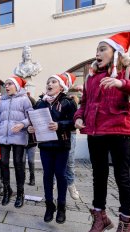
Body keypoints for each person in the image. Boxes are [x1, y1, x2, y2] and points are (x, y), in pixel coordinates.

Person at [74, 32, 130, 232]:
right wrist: (79, 117)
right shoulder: (90, 76)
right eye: (97, 49)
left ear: (115, 52)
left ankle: (125, 222)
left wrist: (122, 83)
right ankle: (100, 217)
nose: (97, 53)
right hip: (95, 132)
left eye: (102, 49)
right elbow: (84, 103)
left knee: (122, 177)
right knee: (99, 176)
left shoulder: (128, 70)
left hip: (119, 130)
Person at [28, 74, 77, 224]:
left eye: (53, 82)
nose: (50, 84)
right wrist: (31, 128)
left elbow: (75, 122)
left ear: (61, 86)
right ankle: (49, 206)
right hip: (45, 145)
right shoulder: (40, 103)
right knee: (47, 175)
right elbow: (34, 121)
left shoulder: (68, 102)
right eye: (48, 82)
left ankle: (61, 207)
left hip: (61, 144)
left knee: (60, 175)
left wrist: (60, 125)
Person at [0, 76, 33, 208]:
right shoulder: (2, 101)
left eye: (9, 84)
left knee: (19, 163)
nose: (6, 86)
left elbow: (31, 116)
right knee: (3, 163)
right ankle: (7, 190)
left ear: (17, 86)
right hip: (3, 136)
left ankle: (20, 193)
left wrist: (22, 124)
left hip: (18, 135)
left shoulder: (25, 99)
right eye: (5, 84)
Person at [63, 72, 81, 200]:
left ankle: (70, 184)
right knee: (55, 160)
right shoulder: (50, 97)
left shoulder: (71, 100)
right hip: (55, 134)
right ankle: (54, 182)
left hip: (70, 133)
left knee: (69, 161)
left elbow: (74, 121)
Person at [23, 92, 37, 186]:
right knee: (22, 161)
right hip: (22, 141)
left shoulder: (34, 115)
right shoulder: (21, 114)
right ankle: (22, 177)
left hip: (32, 142)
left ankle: (32, 177)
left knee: (31, 161)